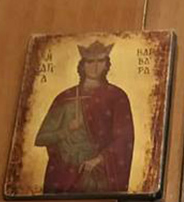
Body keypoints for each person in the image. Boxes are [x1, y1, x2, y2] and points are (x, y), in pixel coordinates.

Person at [35, 41, 135, 194]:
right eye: (90, 61)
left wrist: (99, 160)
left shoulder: (116, 96)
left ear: (106, 65)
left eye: (100, 61)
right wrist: (67, 130)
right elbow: (42, 138)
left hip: (96, 173)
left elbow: (124, 138)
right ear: (82, 65)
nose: (95, 66)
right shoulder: (65, 98)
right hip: (64, 173)